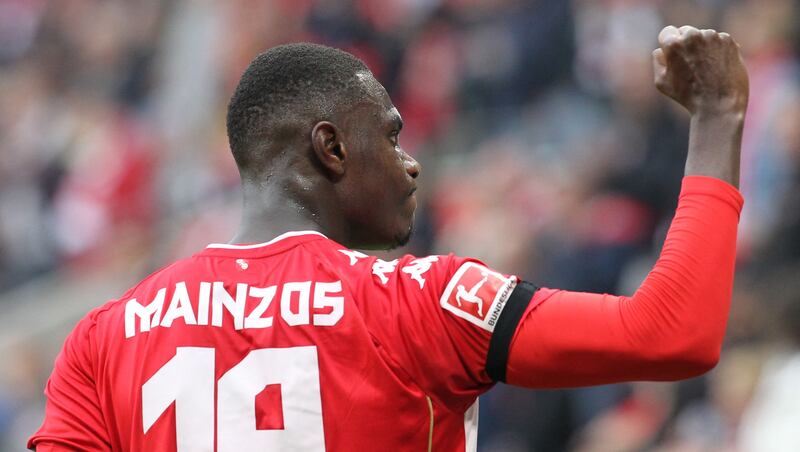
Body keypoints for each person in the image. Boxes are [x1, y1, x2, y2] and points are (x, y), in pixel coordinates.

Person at [28, 25, 748, 451]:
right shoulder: (421, 302)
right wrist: (717, 117)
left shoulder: (104, 338)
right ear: (332, 148)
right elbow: (672, 334)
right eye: (391, 136)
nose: (411, 163)